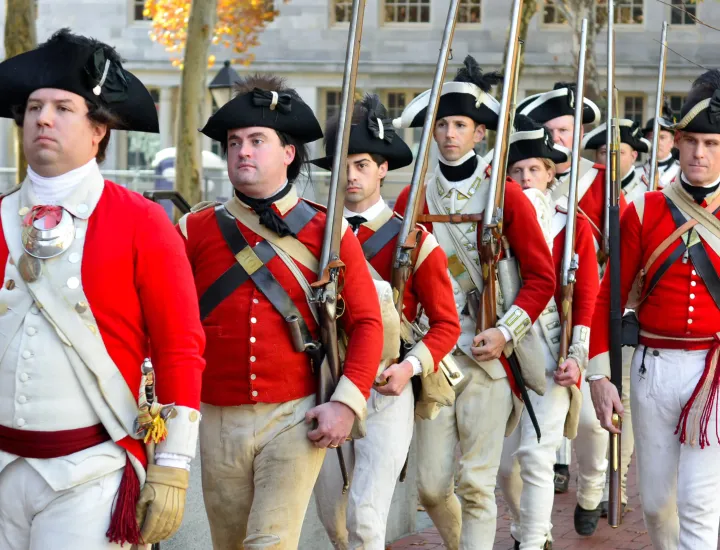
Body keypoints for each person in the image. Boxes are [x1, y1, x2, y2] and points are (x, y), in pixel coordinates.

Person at [0, 29, 205, 548]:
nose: (42, 118)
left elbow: (180, 346)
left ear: (99, 131)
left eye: (63, 108)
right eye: (33, 107)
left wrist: (174, 465)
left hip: (91, 472)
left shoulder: (142, 221)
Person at [180, 74, 384, 550]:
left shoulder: (328, 229)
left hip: (296, 413)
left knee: (270, 543)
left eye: (256, 141)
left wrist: (346, 402)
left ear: (288, 153)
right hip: (216, 417)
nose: (243, 152)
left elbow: (367, 322)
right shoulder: (194, 229)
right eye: (234, 143)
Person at [393, 56, 556, 550]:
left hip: (489, 359)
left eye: (459, 124)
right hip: (434, 358)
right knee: (431, 487)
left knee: (478, 485)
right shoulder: (412, 199)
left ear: (480, 133)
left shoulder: (504, 196)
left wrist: (505, 331)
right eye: (440, 124)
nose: (447, 134)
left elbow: (542, 279)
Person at [311, 94, 460, 550]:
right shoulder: (312, 233)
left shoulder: (413, 241)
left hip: (383, 384)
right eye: (343, 165)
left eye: (362, 164)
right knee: (332, 522)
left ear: (382, 169)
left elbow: (446, 325)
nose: (351, 175)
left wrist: (408, 369)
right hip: (322, 384)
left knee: (366, 518)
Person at [588, 69, 720, 550]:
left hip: (714, 370)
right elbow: (608, 298)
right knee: (657, 504)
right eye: (691, 142)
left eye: (710, 142)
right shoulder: (642, 210)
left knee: (700, 502)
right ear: (677, 144)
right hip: (653, 369)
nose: (699, 153)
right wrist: (599, 377)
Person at [518, 83, 616, 536]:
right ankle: (545, 498)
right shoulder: (527, 173)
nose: (558, 137)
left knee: (596, 422)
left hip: (589, 309)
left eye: (565, 129)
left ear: (580, 132)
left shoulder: (600, 178)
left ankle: (593, 485)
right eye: (550, 130)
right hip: (535, 316)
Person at [498, 115, 599, 550]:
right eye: (516, 172)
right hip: (500, 352)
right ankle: (528, 525)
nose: (525, 179)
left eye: (533, 170)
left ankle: (533, 539)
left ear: (552, 171)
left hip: (551, 346)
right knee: (504, 468)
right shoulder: (491, 220)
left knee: (538, 456)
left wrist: (576, 355)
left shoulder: (569, 224)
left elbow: (587, 295)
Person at [583, 118, 651, 203]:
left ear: (633, 156)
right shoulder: (584, 189)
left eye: (620, 152)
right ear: (596, 157)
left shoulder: (647, 191)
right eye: (604, 152)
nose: (612, 158)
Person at [638, 100, 680, 189]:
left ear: (672, 142)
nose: (657, 142)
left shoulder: (682, 173)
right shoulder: (637, 172)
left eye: (662, 137)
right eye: (652, 137)